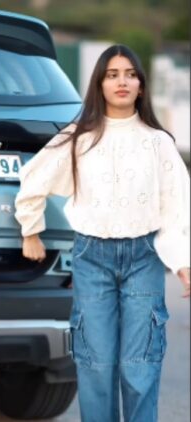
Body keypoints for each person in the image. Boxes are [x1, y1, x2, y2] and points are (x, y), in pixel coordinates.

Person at [14, 44, 190, 422]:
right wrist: (32, 231)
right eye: (112, 75)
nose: (122, 81)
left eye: (130, 74)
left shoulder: (158, 142)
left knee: (139, 365)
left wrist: (183, 262)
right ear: (100, 84)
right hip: (92, 259)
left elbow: (178, 204)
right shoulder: (79, 137)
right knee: (96, 365)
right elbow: (34, 177)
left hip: (143, 258)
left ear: (141, 86)